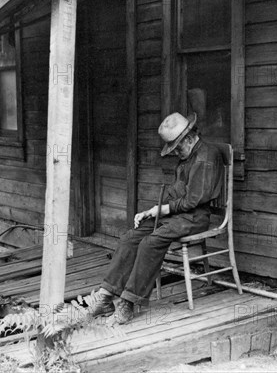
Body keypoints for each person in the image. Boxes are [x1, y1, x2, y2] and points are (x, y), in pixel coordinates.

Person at [87, 112, 225, 324]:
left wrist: (162, 210)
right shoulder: (187, 156)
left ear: (189, 138)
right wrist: (152, 211)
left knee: (150, 243)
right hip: (177, 215)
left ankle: (128, 302)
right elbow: (178, 193)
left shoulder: (206, 157)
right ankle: (106, 295)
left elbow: (192, 201)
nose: (176, 152)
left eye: (177, 147)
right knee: (130, 238)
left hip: (195, 218)